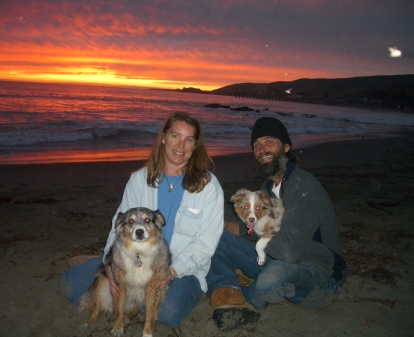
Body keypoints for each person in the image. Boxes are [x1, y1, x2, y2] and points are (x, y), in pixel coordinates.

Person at [59, 112, 224, 327]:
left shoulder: (209, 187)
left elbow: (207, 242)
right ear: (163, 138)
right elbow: (118, 226)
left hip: (181, 268)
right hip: (131, 261)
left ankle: (132, 300)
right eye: (175, 136)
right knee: (69, 283)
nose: (181, 145)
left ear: (195, 145)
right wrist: (109, 263)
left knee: (167, 313)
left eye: (189, 139)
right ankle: (130, 297)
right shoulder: (139, 180)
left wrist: (173, 271)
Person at [206, 117, 348, 332]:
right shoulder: (267, 187)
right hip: (275, 259)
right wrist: (239, 228)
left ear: (287, 147)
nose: (262, 149)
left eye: (269, 142)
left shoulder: (302, 185)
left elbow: (288, 251)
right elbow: (267, 229)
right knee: (218, 235)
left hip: (318, 275)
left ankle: (240, 290)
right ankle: (227, 288)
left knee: (273, 277)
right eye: (256, 145)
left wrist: (250, 231)